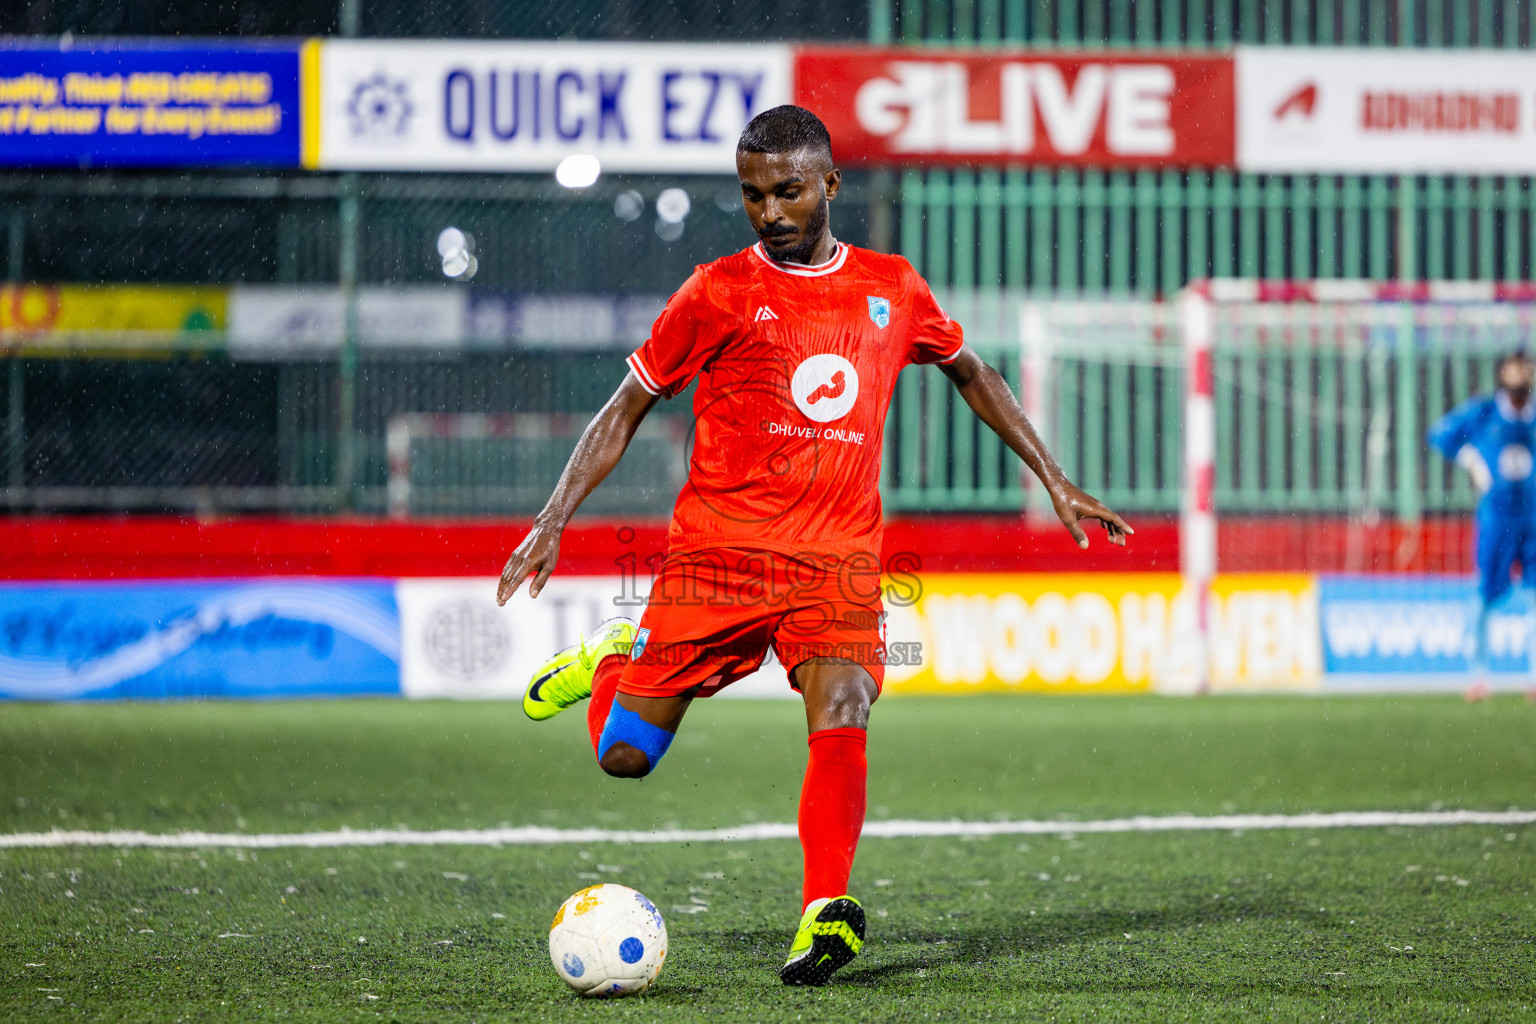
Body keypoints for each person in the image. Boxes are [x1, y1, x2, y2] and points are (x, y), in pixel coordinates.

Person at [496, 105, 1131, 986]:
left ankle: (824, 910)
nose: (770, 212)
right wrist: (554, 513)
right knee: (625, 757)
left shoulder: (893, 287)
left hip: (835, 561)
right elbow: (628, 403)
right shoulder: (714, 291)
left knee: (845, 706)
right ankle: (614, 660)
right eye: (753, 196)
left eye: (788, 191)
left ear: (830, 184)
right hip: (717, 558)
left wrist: (1053, 476)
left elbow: (971, 372)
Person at [1428, 350, 1536, 693]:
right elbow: (1440, 435)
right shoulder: (1485, 411)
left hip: (1534, 517)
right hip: (1497, 518)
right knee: (1485, 591)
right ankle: (1478, 674)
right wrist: (1472, 459)